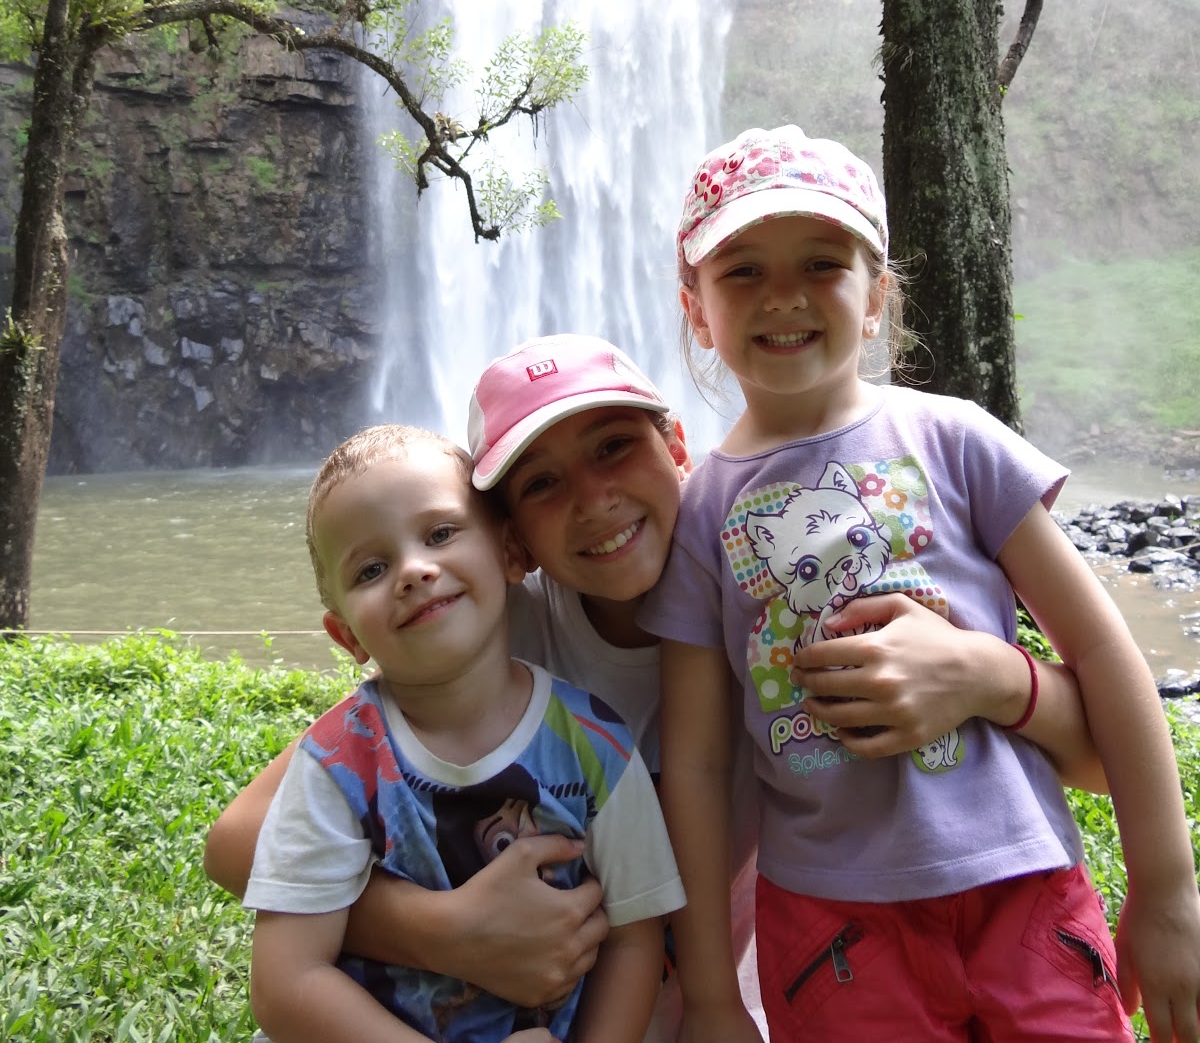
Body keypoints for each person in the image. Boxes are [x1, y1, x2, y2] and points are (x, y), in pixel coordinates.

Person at [206, 336, 1108, 1041]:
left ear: (679, 446)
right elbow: (238, 841)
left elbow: (1096, 760)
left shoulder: (786, 590)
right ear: (511, 539)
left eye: (614, 448)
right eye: (544, 483)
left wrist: (996, 675)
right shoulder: (498, 630)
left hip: (747, 985)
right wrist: (439, 933)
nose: (595, 499)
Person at [642, 123, 1200, 1043]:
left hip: (1027, 893)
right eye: (742, 271)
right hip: (833, 931)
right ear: (696, 310)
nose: (783, 295)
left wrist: (1167, 888)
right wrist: (709, 991)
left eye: (822, 262)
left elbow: (1102, 650)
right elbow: (700, 770)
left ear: (876, 299)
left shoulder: (956, 438)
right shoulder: (700, 512)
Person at [243, 422, 683, 1043]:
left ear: (509, 553)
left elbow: (636, 938)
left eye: (440, 534)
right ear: (346, 637)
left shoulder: (596, 744)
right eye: (371, 569)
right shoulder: (337, 764)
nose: (414, 570)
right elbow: (287, 982)